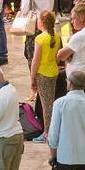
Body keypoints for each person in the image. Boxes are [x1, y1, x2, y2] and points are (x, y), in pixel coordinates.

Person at [29, 10, 62, 142]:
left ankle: (47, 134)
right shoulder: (57, 37)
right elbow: (57, 58)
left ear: (42, 23)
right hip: (53, 72)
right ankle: (51, 130)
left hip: (42, 74)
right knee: (50, 103)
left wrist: (32, 77)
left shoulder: (40, 38)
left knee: (46, 105)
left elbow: (35, 60)